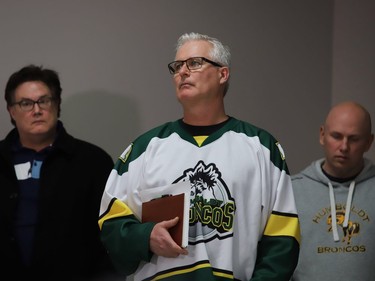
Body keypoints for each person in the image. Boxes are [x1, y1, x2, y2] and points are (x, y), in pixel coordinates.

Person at [98, 32, 300, 281]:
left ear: (222, 74)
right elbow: (110, 220)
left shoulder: (261, 147)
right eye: (176, 66)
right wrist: (144, 237)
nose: (182, 72)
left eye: (194, 63)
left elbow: (283, 237)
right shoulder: (145, 148)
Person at [0, 64, 120, 280]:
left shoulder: (93, 162)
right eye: (26, 103)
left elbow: (110, 235)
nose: (37, 110)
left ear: (57, 104)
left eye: (44, 101)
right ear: (11, 110)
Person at [291, 101, 375, 281]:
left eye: (354, 139)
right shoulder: (292, 191)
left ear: (369, 142)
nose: (344, 147)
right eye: (336, 136)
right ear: (322, 135)